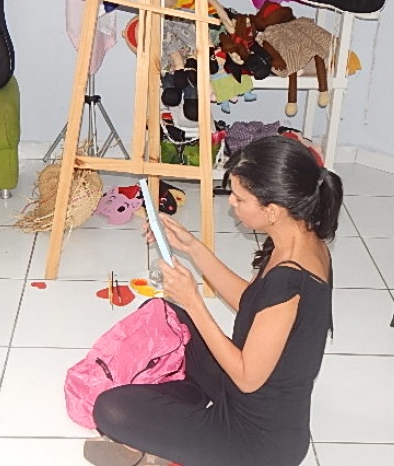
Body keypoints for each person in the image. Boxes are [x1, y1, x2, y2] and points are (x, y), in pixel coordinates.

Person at [90, 135, 343, 466]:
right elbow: (253, 303)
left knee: (109, 409)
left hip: (256, 442)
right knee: (165, 313)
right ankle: (184, 410)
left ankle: (174, 431)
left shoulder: (289, 281)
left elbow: (247, 376)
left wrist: (194, 301)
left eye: (240, 198)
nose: (232, 203)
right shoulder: (301, 239)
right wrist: (193, 247)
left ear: (272, 210)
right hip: (242, 395)